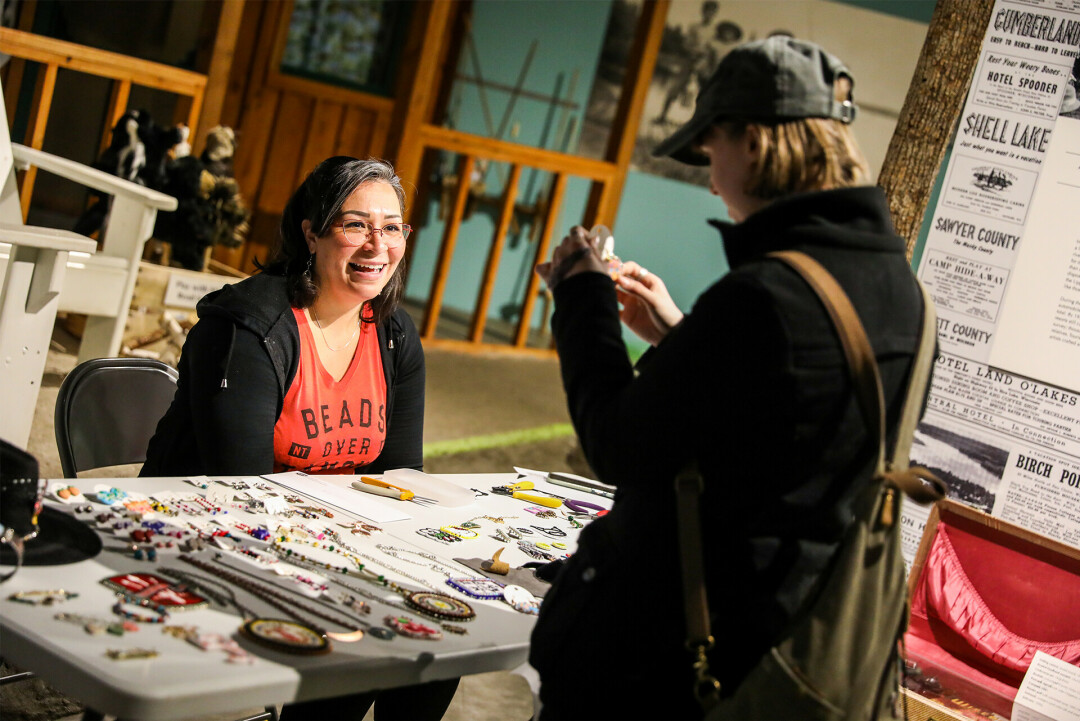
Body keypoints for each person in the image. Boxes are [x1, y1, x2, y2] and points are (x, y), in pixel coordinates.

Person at [531, 36, 926, 720]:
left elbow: (618, 441)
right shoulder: (900, 291)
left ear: (753, 142)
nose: (712, 180)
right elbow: (782, 418)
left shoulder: (765, 296)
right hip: (792, 643)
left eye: (712, 153)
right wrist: (683, 335)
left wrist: (582, 293)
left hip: (674, 662)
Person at [142, 156, 458, 720]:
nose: (376, 246)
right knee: (358, 634)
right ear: (310, 231)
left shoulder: (392, 334)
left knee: (442, 633)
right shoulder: (250, 327)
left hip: (327, 544)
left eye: (391, 228)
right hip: (207, 538)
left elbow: (400, 479)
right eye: (354, 224)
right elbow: (240, 494)